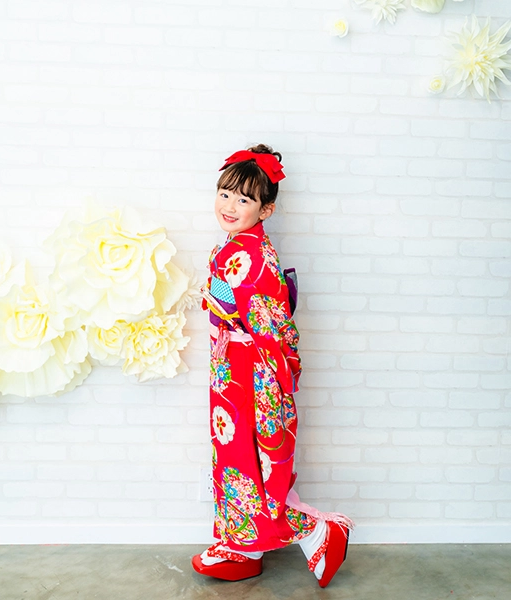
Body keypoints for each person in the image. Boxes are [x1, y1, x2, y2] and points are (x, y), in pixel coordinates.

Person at [192, 145, 354, 588]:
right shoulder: (236, 247)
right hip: (231, 362)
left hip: (250, 368)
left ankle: (316, 530)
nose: (230, 205)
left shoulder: (251, 255)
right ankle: (242, 547)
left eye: (244, 199)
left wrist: (274, 377)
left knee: (248, 459)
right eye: (225, 193)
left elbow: (269, 325)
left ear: (266, 209)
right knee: (232, 455)